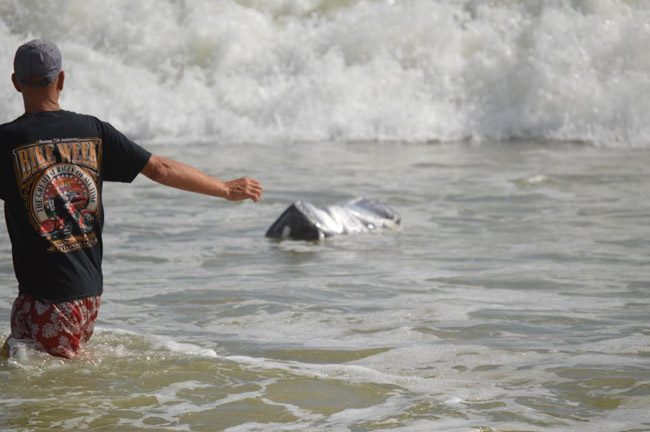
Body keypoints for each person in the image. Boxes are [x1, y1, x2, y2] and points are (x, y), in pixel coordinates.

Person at [0, 40, 263, 358]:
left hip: (50, 297)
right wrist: (225, 188)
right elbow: (161, 169)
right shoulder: (93, 131)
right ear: (62, 79)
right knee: (15, 363)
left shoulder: (7, 142)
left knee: (59, 397)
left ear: (15, 82)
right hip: (82, 293)